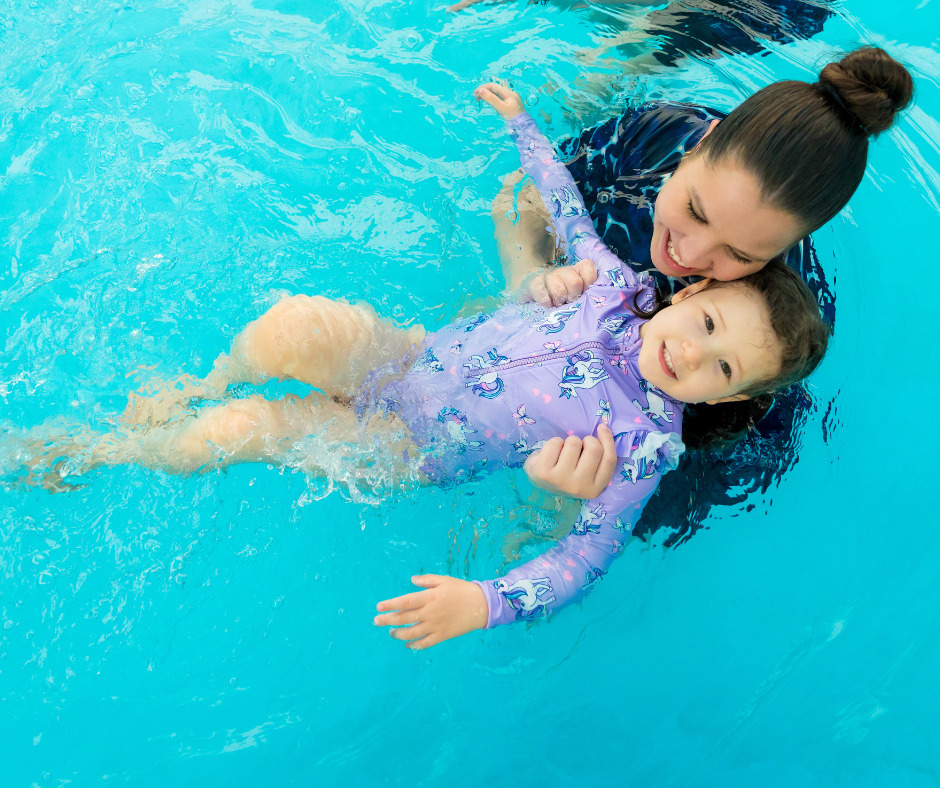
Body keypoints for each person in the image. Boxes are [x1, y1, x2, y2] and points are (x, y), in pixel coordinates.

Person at [27, 83, 829, 649]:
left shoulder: (647, 447)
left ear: (740, 395)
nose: (693, 353)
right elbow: (561, 204)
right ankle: (203, 380)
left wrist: (488, 599)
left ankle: (91, 453)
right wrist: (523, 130)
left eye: (721, 371)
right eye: (708, 324)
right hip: (409, 356)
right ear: (685, 295)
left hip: (411, 448)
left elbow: (584, 556)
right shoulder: (617, 283)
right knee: (289, 326)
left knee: (241, 433)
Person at [502, 47, 912, 546]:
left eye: (739, 253)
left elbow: (714, 471)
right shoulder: (663, 132)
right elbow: (523, 196)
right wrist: (527, 279)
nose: (686, 255)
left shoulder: (774, 324)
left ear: (784, 251)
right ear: (697, 148)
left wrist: (588, 491)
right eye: (695, 209)